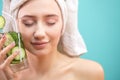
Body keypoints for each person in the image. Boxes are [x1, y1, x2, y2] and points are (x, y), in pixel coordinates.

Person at [0, 0, 104, 80]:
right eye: (28, 23)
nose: (39, 33)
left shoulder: (90, 73)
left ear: (63, 24)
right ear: (15, 25)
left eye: (51, 22)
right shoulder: (5, 74)